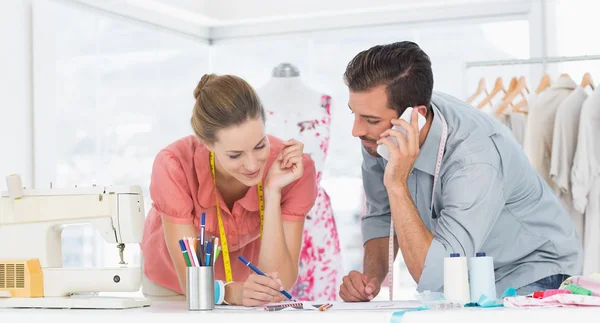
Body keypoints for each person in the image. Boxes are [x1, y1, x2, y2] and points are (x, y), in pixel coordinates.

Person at [339, 41, 583, 302]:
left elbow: (437, 274)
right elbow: (382, 213)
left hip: (532, 270)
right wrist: (372, 279)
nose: (356, 130)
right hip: (467, 271)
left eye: (370, 120)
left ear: (416, 115)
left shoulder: (475, 158)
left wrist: (397, 184)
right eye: (355, 114)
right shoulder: (381, 136)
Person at [140, 74, 317, 306]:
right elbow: (190, 283)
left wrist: (272, 192)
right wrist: (229, 293)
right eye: (235, 155)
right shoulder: (174, 165)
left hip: (245, 289)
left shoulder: (290, 167)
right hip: (173, 284)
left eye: (260, 145)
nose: (253, 165)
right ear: (206, 144)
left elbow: (278, 282)